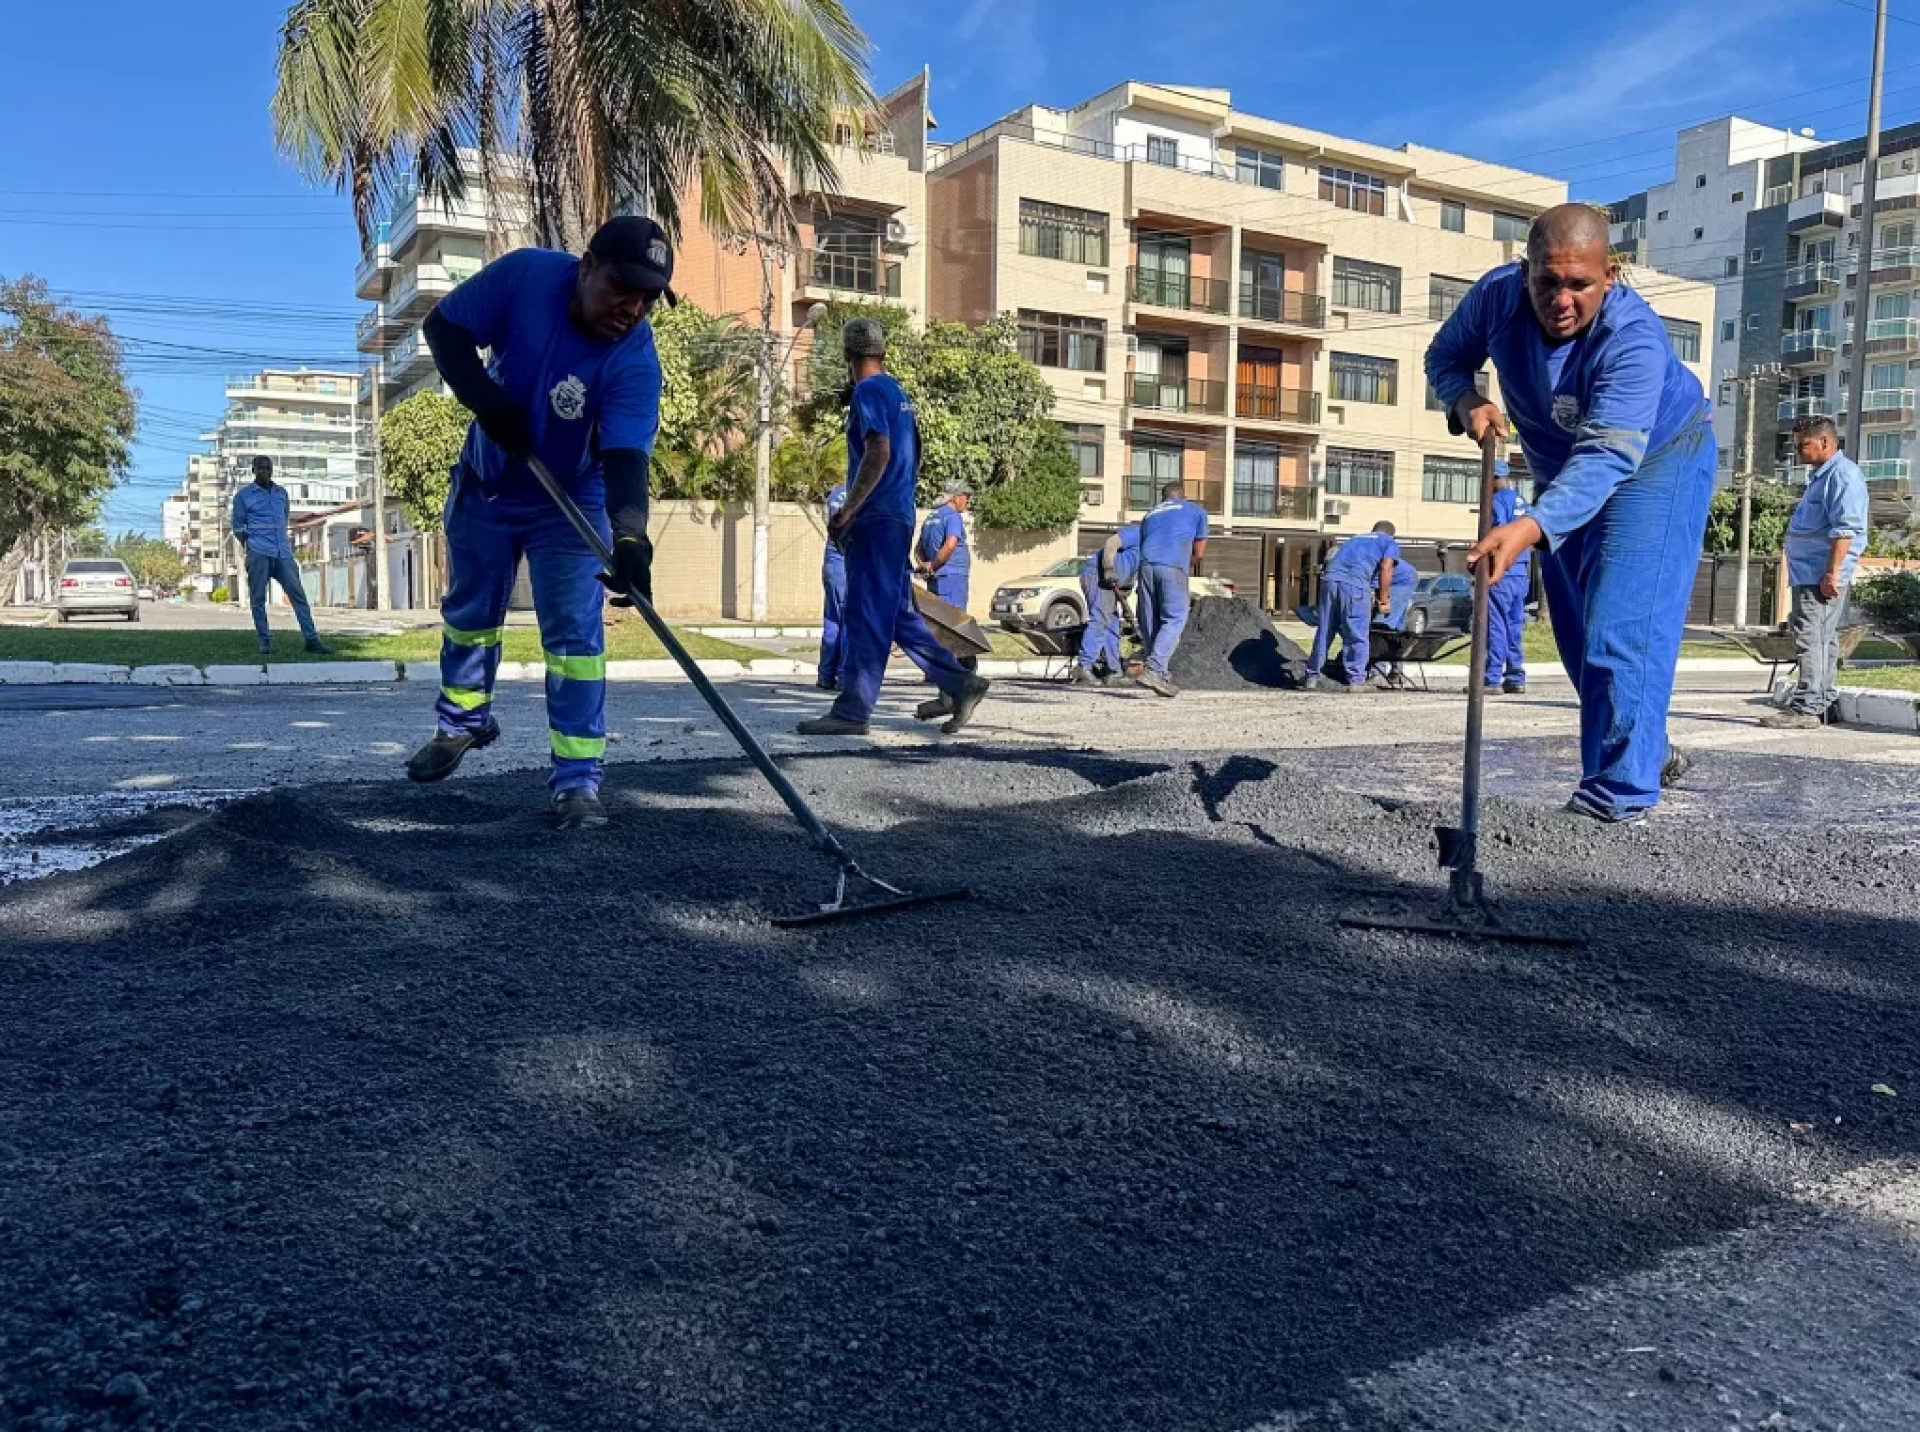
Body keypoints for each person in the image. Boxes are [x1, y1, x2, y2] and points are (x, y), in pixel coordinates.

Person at [1427, 203, 1714, 824]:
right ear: (1523, 270)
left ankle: (1615, 800)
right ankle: (1647, 748)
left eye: (1579, 284)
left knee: (1622, 627)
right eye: (1546, 282)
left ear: (1608, 275)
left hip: (1656, 459)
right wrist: (1466, 399)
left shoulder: (1632, 338)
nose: (1561, 299)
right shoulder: (1495, 299)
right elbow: (1445, 358)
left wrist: (1530, 526)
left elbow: (1610, 455)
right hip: (1561, 471)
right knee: (1579, 637)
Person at [401, 215, 673, 831]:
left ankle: (577, 782)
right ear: (586, 266)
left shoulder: (635, 361)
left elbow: (627, 458)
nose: (630, 308)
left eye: (646, 298)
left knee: (576, 642)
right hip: (488, 486)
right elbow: (442, 329)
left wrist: (630, 539)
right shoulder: (524, 276)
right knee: (470, 616)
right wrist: (489, 404)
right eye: (619, 288)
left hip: (569, 500)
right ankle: (462, 724)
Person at [796, 320, 990, 737]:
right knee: (899, 613)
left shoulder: (867, 391)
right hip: (898, 515)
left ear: (848, 356)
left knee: (865, 613)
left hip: (876, 518)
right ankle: (960, 682)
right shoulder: (900, 394)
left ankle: (852, 711)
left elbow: (878, 452)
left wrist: (849, 509)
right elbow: (909, 456)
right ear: (881, 352)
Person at [1760, 416, 1868, 730]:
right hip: (1811, 573)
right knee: (1823, 639)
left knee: (1811, 639)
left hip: (1821, 576)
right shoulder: (1823, 476)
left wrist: (1832, 574)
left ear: (1824, 442)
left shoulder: (1843, 476)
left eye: (1802, 444)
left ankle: (1807, 707)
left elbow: (1845, 530)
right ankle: (1823, 703)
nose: (1797, 451)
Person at [231, 456, 329, 657]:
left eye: (268, 468)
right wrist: (250, 545)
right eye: (261, 469)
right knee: (258, 598)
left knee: (298, 596)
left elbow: (284, 519)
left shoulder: (281, 493)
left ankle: (311, 639)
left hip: (283, 552)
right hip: (259, 551)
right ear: (253, 470)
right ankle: (265, 640)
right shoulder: (243, 496)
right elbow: (239, 527)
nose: (265, 472)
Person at [1134, 482, 1209, 698]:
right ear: (1183, 497)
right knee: (1175, 617)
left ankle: (1160, 676)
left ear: (1163, 498)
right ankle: (1155, 669)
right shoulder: (1195, 510)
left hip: (1146, 566)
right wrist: (1188, 563)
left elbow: (1147, 541)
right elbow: (1199, 551)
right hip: (1171, 565)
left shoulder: (1150, 514)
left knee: (1150, 621)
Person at [1306, 522, 1398, 690]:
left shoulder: (1356, 538)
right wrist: (1384, 599)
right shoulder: (1388, 542)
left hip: (1330, 582)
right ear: (1392, 535)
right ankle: (1356, 681)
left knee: (1325, 629)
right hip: (1354, 586)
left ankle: (1312, 677)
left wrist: (1377, 592)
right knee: (1357, 633)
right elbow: (1386, 567)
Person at [1482, 460, 1533, 695]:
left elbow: (1499, 534)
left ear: (1493, 478)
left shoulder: (1497, 501)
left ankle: (1491, 678)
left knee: (1496, 625)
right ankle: (1515, 677)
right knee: (1514, 626)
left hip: (1501, 572)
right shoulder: (1522, 502)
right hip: (1521, 572)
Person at [1068, 523, 1141, 685]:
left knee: (1112, 625)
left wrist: (1126, 607)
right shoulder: (1137, 532)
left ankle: (1113, 671)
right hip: (1098, 577)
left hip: (1113, 585)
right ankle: (1084, 667)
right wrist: (1108, 568)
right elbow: (1111, 543)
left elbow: (1131, 576)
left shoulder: (1152, 547)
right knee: (1101, 620)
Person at [917, 482, 973, 612]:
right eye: (966, 496)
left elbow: (918, 549)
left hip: (935, 579)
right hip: (953, 580)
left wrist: (926, 567)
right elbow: (950, 545)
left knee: (938, 620)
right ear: (955, 498)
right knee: (953, 621)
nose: (968, 500)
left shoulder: (931, 517)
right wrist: (932, 567)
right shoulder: (953, 516)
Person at [1367, 553, 1420, 689]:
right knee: (1394, 628)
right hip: (1402, 577)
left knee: (1381, 625)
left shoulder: (1356, 563)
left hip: (1400, 581)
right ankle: (1397, 671)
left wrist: (1383, 600)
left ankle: (1377, 672)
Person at [817, 480, 848, 691]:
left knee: (833, 620)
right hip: (846, 564)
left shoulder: (836, 493)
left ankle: (826, 675)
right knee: (850, 621)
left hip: (832, 563)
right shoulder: (860, 492)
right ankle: (845, 676)